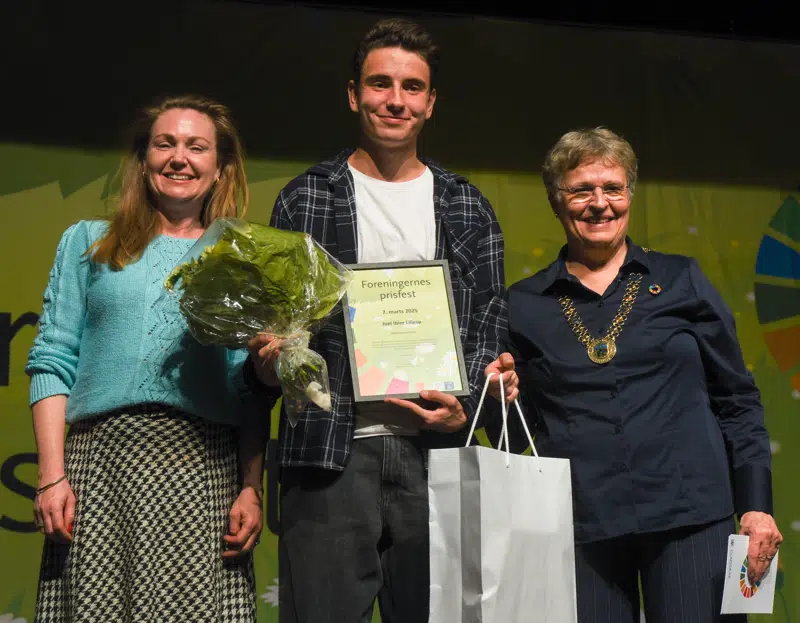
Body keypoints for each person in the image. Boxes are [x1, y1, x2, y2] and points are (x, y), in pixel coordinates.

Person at [246, 18, 507, 623]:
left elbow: (490, 323)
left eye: (412, 87)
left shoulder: (467, 205)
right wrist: (269, 359)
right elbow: (277, 333)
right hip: (329, 456)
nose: (395, 100)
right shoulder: (305, 197)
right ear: (353, 94)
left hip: (436, 457)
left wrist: (467, 402)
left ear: (430, 102)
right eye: (380, 83)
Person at [485, 127, 782, 622]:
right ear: (556, 202)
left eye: (613, 188)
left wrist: (756, 505)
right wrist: (502, 401)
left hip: (691, 516)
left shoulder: (682, 279)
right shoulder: (523, 305)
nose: (600, 204)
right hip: (580, 526)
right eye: (582, 190)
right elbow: (521, 438)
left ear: (630, 195)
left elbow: (737, 400)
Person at [26, 94, 268, 622]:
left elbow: (248, 389)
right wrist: (51, 475)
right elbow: (52, 360)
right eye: (165, 144)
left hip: (202, 470)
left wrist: (252, 487)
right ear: (143, 159)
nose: (179, 158)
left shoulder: (238, 261)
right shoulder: (88, 243)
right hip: (99, 472)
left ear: (220, 167)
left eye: (197, 147)